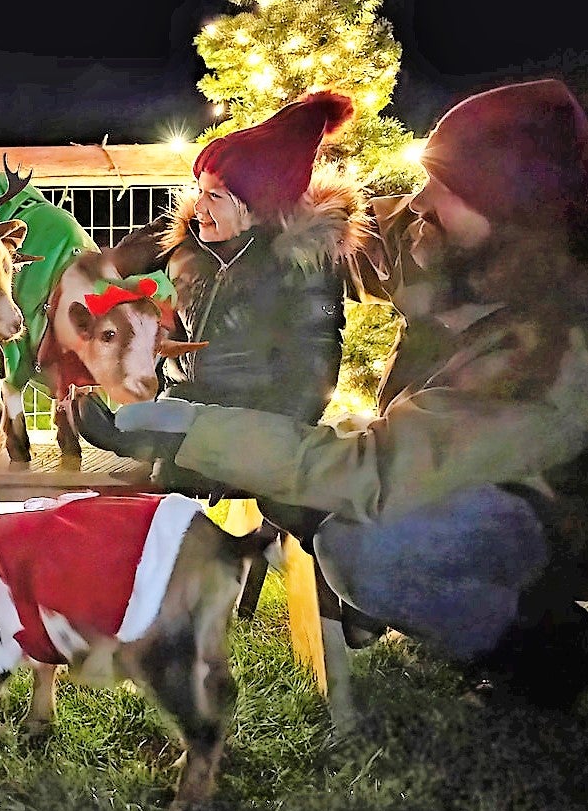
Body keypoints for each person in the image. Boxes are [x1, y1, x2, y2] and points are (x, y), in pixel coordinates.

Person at [75, 78, 588, 709]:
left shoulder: (552, 353)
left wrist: (189, 427)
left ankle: (538, 645)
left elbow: (372, 471)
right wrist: (211, 226)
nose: (420, 200)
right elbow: (340, 232)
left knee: (361, 549)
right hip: (422, 459)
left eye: (445, 189)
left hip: (530, 507)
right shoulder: (446, 236)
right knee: (306, 499)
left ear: (509, 209)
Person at [114, 90, 365, 529]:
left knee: (175, 486)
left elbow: (313, 369)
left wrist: (261, 445)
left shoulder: (300, 263)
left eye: (215, 195)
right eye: (199, 190)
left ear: (257, 206)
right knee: (146, 497)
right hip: (183, 406)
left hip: (257, 420)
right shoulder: (189, 243)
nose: (198, 205)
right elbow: (107, 268)